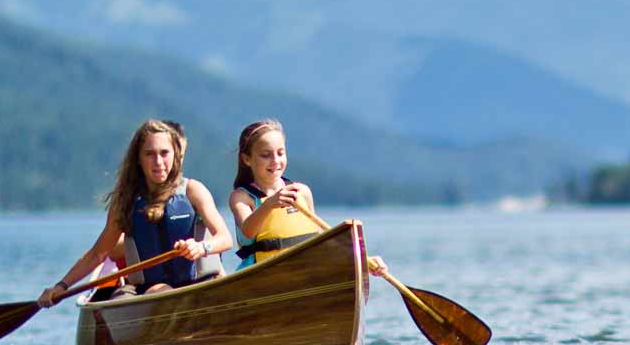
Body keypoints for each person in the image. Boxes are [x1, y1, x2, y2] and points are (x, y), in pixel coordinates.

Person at [38, 119, 231, 307]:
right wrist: (61, 286)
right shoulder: (126, 202)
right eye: (150, 154)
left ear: (175, 154)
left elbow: (225, 239)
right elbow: (98, 255)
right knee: (162, 291)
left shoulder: (194, 190)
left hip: (198, 284)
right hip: (152, 290)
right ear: (138, 158)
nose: (158, 162)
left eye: (164, 153)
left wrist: (201, 247)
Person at [227, 119, 386, 278]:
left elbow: (319, 241)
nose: (275, 161)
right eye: (265, 155)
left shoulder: (301, 192)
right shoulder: (241, 197)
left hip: (306, 273)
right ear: (247, 159)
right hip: (265, 277)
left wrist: (362, 261)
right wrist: (268, 205)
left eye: (280, 153)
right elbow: (248, 231)